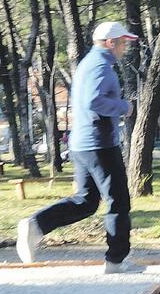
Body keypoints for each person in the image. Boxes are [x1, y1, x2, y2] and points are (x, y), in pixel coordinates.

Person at [16, 21, 144, 274]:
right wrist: (124, 107)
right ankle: (116, 261)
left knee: (86, 201)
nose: (125, 48)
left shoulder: (89, 63)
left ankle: (37, 224)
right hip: (100, 144)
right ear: (110, 43)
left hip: (82, 143)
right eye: (123, 43)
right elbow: (95, 101)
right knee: (118, 201)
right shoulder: (101, 67)